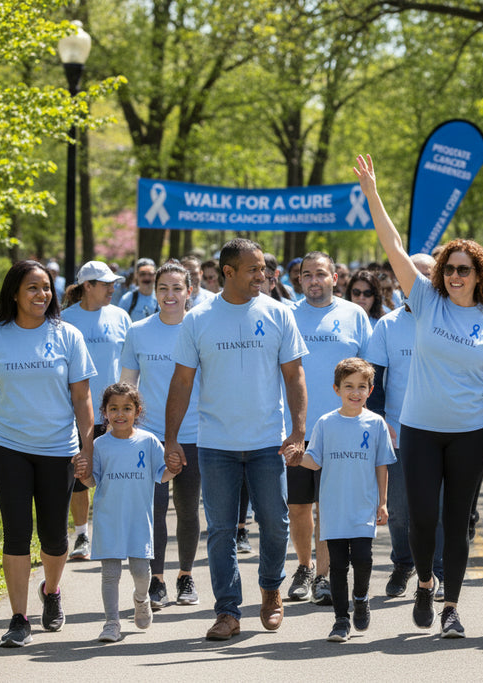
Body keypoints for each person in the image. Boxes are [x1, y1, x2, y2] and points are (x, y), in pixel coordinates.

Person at [354, 154, 483, 638]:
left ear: (479, 273)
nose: (455, 276)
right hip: (419, 429)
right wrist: (372, 195)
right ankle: (423, 581)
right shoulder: (425, 302)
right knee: (422, 519)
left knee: (457, 522)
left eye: (464, 270)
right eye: (449, 269)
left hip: (468, 434)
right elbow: (394, 246)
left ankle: (450, 606)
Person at [165, 238, 308, 641]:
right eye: (253, 269)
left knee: (276, 525)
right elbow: (182, 380)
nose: (262, 275)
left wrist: (298, 431)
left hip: (267, 442)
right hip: (216, 444)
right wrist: (171, 439)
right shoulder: (199, 318)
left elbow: (294, 374)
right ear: (228, 272)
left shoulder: (279, 313)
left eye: (263, 268)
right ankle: (227, 611)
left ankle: (270, 591)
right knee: (223, 530)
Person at [0, 260, 96, 648]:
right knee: (17, 532)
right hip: (8, 447)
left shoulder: (67, 336)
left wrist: (88, 448)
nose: (42, 294)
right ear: (14, 292)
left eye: (46, 287)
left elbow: (82, 398)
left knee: (54, 536)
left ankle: (51, 591)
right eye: (33, 287)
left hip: (58, 449)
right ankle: (18, 618)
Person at [286, 251, 372, 606]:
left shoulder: (354, 315)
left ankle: (323, 575)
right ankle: (304, 567)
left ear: (335, 277)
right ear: (300, 279)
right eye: (307, 275)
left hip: (340, 429)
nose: (313, 281)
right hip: (296, 427)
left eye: (320, 274)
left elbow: (369, 372)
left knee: (328, 505)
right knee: (298, 506)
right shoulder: (287, 315)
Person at [363, 253, 446, 600]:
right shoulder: (388, 325)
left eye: (425, 275)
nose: (416, 282)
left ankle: (439, 571)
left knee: (438, 508)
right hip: (398, 432)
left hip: (443, 431)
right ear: (398, 281)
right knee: (398, 510)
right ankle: (403, 563)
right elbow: (374, 379)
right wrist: (380, 419)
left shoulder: (448, 321)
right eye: (409, 275)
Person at [121, 261, 203, 610]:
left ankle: (186, 575)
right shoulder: (138, 331)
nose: (170, 295)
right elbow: (127, 385)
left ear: (189, 291)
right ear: (154, 292)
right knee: (153, 511)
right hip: (150, 437)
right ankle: (157, 581)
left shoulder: (201, 329)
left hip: (196, 434)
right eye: (163, 288)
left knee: (187, 510)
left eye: (177, 288)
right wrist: (125, 429)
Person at [298, 358, 396, 642]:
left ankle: (362, 598)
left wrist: (382, 502)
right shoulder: (326, 423)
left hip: (363, 506)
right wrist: (296, 457)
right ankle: (341, 620)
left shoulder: (376, 423)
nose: (355, 392)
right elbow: (314, 461)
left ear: (370, 389)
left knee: (363, 560)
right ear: (336, 389)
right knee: (338, 566)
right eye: (349, 386)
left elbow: (382, 465)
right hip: (334, 508)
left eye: (361, 387)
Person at [80, 383, 181, 643]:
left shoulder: (148, 442)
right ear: (105, 412)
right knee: (110, 574)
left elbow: (162, 475)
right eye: (113, 409)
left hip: (138, 520)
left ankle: (141, 599)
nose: (120, 414)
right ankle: (111, 623)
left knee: (140, 572)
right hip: (109, 520)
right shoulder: (99, 445)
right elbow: (93, 481)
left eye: (127, 408)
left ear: (137, 411)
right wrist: (83, 475)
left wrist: (175, 469)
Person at [61, 261, 132, 561]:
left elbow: (131, 363)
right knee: (80, 475)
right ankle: (81, 536)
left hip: (114, 411)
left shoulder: (120, 317)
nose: (112, 288)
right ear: (87, 286)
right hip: (74, 410)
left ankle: (117, 534)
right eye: (105, 284)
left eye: (113, 283)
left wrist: (130, 408)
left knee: (117, 475)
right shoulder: (64, 320)